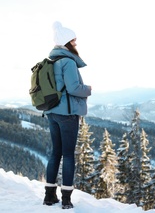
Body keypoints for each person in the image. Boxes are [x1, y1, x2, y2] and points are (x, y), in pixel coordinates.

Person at [43, 21, 92, 209]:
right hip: (67, 115)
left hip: (52, 112)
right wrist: (88, 89)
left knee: (55, 153)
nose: (76, 44)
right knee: (68, 155)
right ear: (66, 43)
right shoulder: (68, 61)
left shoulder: (51, 61)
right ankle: (66, 199)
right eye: (74, 41)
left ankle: (49, 196)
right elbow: (73, 88)